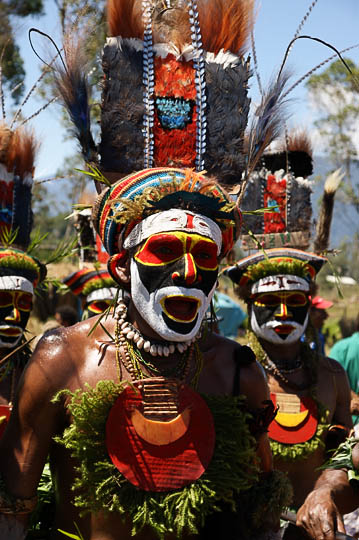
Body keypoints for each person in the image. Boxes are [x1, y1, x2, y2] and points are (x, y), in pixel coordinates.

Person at [0, 1, 298, 538]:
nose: (188, 272)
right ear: (118, 263)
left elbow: (261, 516)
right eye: (165, 252)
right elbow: (11, 511)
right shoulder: (61, 361)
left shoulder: (236, 373)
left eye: (205, 257)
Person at [225, 247, 352, 539]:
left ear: (308, 305)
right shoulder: (228, 371)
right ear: (249, 304)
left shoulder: (332, 375)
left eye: (294, 301)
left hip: (315, 529)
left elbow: (344, 457)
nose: (283, 313)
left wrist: (325, 491)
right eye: (269, 301)